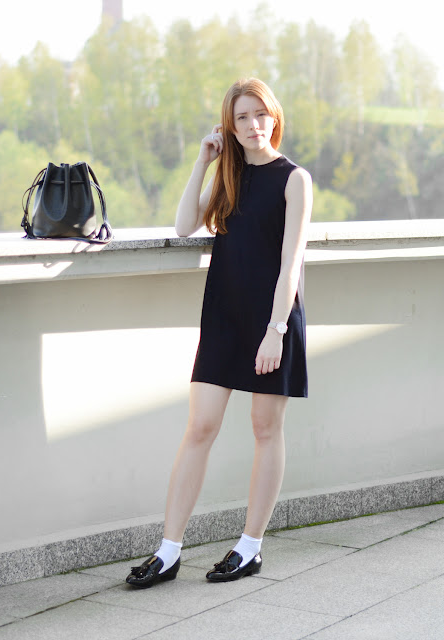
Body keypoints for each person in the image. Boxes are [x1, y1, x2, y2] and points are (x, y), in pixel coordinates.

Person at [126, 77, 313, 588]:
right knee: (200, 427)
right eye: (242, 118)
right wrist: (202, 163)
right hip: (224, 316)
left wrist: (276, 332)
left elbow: (290, 264)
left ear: (274, 115)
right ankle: (168, 552)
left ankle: (250, 546)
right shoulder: (228, 176)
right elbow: (186, 224)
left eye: (261, 114)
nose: (254, 125)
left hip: (272, 318)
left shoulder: (294, 179)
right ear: (229, 127)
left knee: (264, 428)